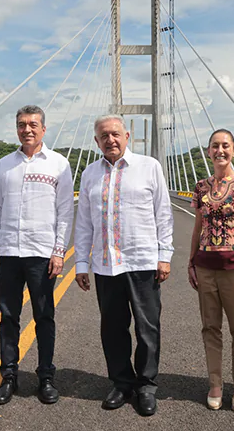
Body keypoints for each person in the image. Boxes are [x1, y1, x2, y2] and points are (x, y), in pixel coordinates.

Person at [74, 115, 174, 417]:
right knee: (113, 329)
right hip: (106, 265)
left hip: (142, 261)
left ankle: (146, 385)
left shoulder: (149, 167)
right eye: (104, 136)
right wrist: (81, 262)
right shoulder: (90, 174)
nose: (110, 140)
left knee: (147, 328)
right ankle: (121, 382)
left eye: (115, 134)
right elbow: (84, 223)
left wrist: (164, 255)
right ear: (96, 141)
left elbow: (163, 215)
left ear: (127, 136)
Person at [0, 105, 74, 406]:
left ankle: (46, 377)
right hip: (9, 252)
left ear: (44, 129)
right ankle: (8, 377)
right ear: (17, 128)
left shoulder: (59, 164)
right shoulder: (4, 165)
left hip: (41, 253)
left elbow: (65, 212)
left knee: (44, 317)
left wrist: (59, 252)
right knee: (8, 318)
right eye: (22, 124)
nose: (27, 129)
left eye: (33, 124)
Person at [187, 129, 234, 412]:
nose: (220, 150)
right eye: (215, 146)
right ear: (208, 151)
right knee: (210, 328)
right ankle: (216, 384)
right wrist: (191, 263)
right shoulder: (200, 187)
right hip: (206, 267)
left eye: (225, 146)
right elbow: (197, 228)